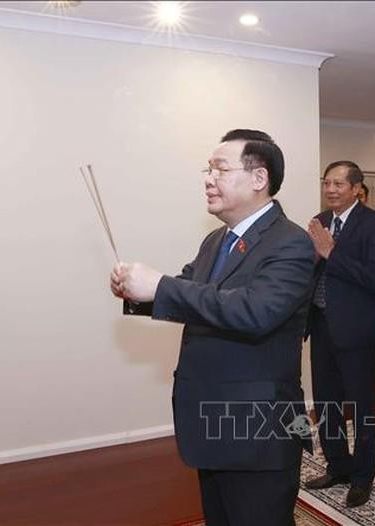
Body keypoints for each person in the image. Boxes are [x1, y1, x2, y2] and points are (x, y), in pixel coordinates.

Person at [109, 129, 316, 526]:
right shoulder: (216, 241)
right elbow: (190, 292)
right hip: (212, 421)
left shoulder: (291, 242)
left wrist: (159, 286)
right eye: (208, 169)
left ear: (259, 178)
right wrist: (134, 291)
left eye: (220, 169)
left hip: (257, 429)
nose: (209, 179)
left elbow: (256, 311)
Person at [304, 161, 375, 507]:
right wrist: (311, 258)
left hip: (356, 330)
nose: (331, 189)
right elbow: (313, 271)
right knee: (326, 403)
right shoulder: (320, 221)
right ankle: (338, 466)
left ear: (356, 188)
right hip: (321, 324)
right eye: (327, 183)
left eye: (338, 184)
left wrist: (331, 252)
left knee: (360, 406)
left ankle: (362, 476)